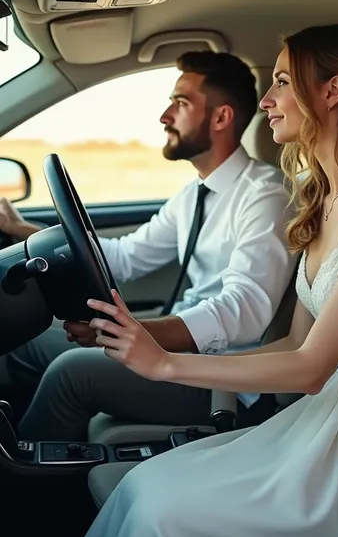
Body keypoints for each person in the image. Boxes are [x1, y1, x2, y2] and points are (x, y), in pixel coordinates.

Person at [70, 24, 338, 537]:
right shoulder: (325, 201)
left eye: (280, 82)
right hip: (329, 412)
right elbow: (295, 342)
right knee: (146, 486)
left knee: (164, 508)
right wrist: (142, 343)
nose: (268, 101)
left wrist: (166, 365)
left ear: (332, 91)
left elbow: (310, 367)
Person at [1, 50, 294, 440]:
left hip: (223, 379)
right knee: (25, 344)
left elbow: (246, 310)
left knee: (70, 372)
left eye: (181, 102)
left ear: (221, 117)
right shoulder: (194, 195)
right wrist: (23, 231)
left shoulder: (265, 196)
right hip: (179, 356)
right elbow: (125, 258)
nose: (164, 116)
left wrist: (133, 331)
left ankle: (23, 490)